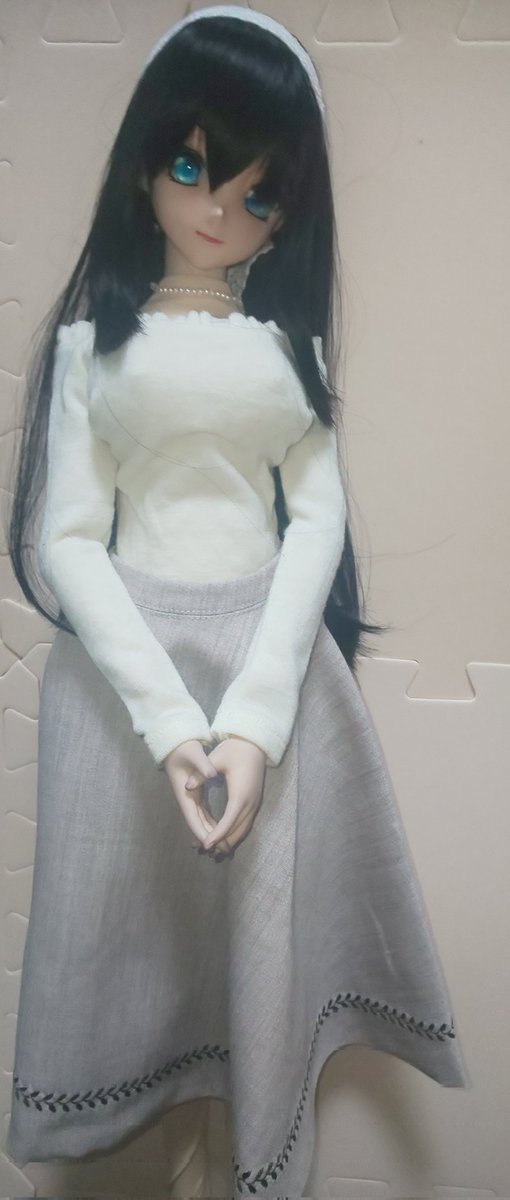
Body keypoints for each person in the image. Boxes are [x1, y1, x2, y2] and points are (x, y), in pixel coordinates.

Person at [6, 7, 471, 1197]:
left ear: (287, 213)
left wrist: (256, 721)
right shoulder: (92, 355)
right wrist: (171, 723)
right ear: (145, 168)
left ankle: (239, 1146)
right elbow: (69, 541)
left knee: (255, 944)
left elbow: (316, 525)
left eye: (257, 192)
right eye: (192, 168)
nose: (217, 208)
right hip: (127, 691)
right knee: (138, 930)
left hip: (264, 663)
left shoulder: (288, 361)